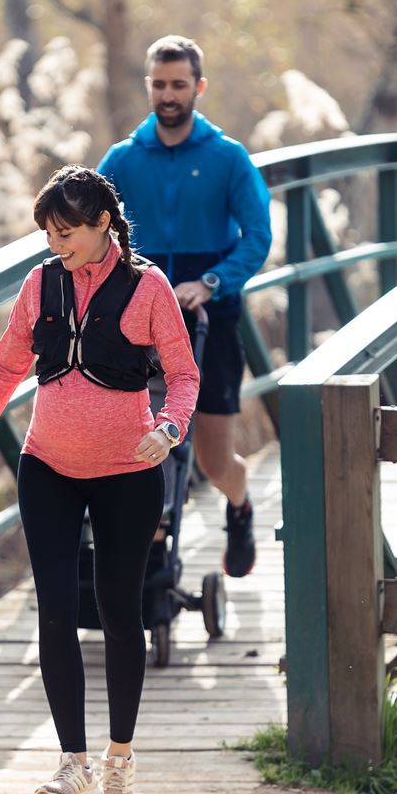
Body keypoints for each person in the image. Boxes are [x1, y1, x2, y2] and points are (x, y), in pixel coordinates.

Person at [0, 165, 198, 794]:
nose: (56, 244)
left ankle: (119, 759)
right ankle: (72, 762)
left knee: (119, 609)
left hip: (129, 473)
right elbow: (3, 370)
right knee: (53, 611)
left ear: (103, 223)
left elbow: (184, 375)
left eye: (66, 231)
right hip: (47, 465)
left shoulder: (148, 287)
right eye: (49, 232)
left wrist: (169, 427)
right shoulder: (40, 284)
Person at [97, 34, 272, 579]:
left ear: (198, 87)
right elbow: (90, 228)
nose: (168, 94)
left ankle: (239, 508)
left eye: (178, 84)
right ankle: (148, 556)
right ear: (148, 86)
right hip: (138, 323)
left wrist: (213, 281)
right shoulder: (123, 160)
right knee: (135, 449)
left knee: (214, 461)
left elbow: (258, 235)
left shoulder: (227, 158)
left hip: (210, 320)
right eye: (159, 84)